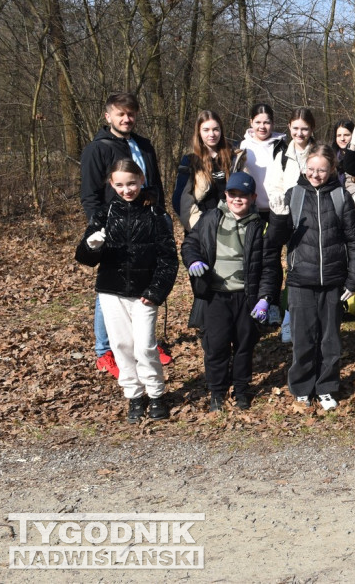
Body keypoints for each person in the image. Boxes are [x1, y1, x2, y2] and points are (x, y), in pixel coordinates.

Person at [262, 145, 355, 410]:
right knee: (303, 339)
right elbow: (275, 242)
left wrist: (354, 279)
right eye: (311, 169)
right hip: (300, 280)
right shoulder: (293, 195)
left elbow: (354, 240)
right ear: (304, 168)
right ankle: (302, 387)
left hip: (333, 280)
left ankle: (327, 387)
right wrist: (278, 219)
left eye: (321, 170)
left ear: (331, 170)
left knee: (330, 339)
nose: (316, 175)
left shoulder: (341, 196)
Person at [75, 159, 177, 422]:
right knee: (121, 345)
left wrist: (156, 291)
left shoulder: (157, 215)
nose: (126, 190)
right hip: (112, 291)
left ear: (142, 179)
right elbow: (85, 258)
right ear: (111, 184)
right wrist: (92, 245)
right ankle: (134, 396)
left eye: (131, 183)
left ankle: (156, 394)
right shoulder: (104, 214)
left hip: (145, 293)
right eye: (119, 185)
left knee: (144, 346)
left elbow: (168, 260)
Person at [80, 92, 166, 375]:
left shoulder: (144, 144)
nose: (126, 118)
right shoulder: (98, 148)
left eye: (130, 114)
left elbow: (155, 184)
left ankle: (147, 341)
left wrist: (161, 215)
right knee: (110, 287)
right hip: (113, 225)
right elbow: (90, 194)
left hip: (146, 221)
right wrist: (99, 226)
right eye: (120, 114)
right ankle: (104, 351)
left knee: (147, 276)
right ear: (108, 117)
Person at [181, 172, 272, 411]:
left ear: (253, 197)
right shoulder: (211, 218)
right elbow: (190, 243)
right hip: (216, 295)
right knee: (216, 345)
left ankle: (241, 389)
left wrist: (264, 298)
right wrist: (193, 261)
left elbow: (269, 266)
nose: (237, 200)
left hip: (246, 295)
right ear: (226, 195)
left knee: (244, 345)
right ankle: (217, 392)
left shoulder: (260, 226)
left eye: (243, 196)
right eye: (233, 195)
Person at [178, 110, 245, 233]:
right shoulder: (189, 160)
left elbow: (244, 193)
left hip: (230, 227)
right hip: (201, 227)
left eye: (215, 129)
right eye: (206, 130)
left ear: (221, 131)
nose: (212, 134)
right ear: (199, 132)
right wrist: (199, 226)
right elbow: (181, 199)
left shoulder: (234, 158)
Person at [265, 107, 317, 215]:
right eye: (295, 128)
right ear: (289, 127)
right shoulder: (282, 157)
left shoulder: (320, 155)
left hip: (314, 214)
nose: (299, 133)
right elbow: (274, 187)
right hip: (288, 214)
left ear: (312, 129)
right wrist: (281, 206)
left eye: (304, 129)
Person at [238, 103, 284, 215]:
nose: (262, 127)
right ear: (251, 122)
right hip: (250, 209)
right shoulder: (243, 147)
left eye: (266, 122)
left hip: (277, 209)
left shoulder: (282, 146)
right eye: (258, 122)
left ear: (273, 123)